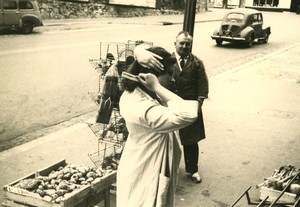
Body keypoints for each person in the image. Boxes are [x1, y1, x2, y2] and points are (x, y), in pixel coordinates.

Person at [117, 46, 199, 207]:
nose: (173, 79)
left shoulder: (139, 95)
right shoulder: (143, 108)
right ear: (148, 77)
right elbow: (189, 113)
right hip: (145, 175)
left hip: (142, 166)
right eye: (169, 74)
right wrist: (157, 86)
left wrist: (138, 51)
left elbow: (140, 46)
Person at [134, 31, 209, 184]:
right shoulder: (164, 59)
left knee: (191, 141)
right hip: (165, 105)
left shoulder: (197, 63)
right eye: (181, 43)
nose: (184, 46)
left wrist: (198, 105)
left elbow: (203, 86)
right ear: (175, 44)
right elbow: (143, 56)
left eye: (188, 44)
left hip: (188, 106)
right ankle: (166, 168)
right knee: (166, 139)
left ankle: (193, 170)